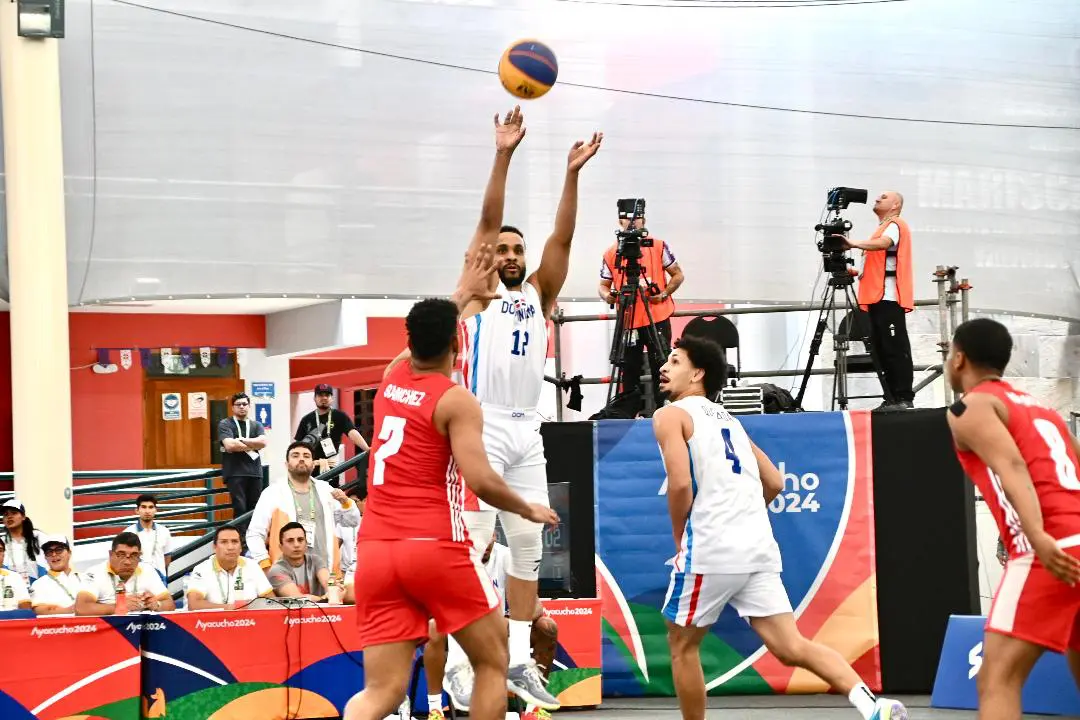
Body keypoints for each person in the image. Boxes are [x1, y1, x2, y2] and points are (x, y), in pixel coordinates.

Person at [342, 254, 559, 720]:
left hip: (376, 550)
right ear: (457, 346)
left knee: (381, 690)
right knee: (492, 661)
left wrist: (462, 293)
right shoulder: (456, 400)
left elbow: (423, 337)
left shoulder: (389, 380)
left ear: (409, 341)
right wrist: (528, 508)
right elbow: (480, 479)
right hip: (431, 544)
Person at [652, 335, 907, 720]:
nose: (663, 367)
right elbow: (774, 482)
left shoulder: (669, 415)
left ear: (698, 373)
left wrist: (679, 538)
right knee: (791, 646)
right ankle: (872, 706)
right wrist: (742, 516)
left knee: (681, 647)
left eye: (674, 361)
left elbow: (681, 484)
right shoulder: (732, 423)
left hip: (711, 549)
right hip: (757, 549)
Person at [441, 106, 600, 711]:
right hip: (481, 425)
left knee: (530, 544)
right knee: (474, 546)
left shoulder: (540, 292)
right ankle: (459, 663)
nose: (508, 253)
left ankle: (516, 661)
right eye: (501, 247)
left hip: (528, 427)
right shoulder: (479, 293)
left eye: (515, 248)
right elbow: (486, 221)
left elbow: (563, 238)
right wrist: (504, 153)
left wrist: (572, 174)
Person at [943, 318, 1080, 720]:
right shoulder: (1043, 410)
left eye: (949, 353)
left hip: (1049, 548)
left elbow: (1013, 467)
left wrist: (1037, 536)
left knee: (996, 680)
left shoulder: (971, 406)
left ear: (960, 358)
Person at [423, 533, 559, 719]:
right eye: (480, 539)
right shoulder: (450, 559)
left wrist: (509, 621)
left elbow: (536, 606)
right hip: (459, 632)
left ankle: (533, 709)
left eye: (489, 539)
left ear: (495, 536)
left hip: (499, 631)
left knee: (547, 627)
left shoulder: (507, 558)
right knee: (433, 628)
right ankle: (435, 709)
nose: (486, 545)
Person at [597, 197, 685, 412]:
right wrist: (607, 296)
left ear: (644, 221)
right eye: (628, 220)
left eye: (637, 219)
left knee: (661, 366)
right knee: (629, 369)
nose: (633, 224)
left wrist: (663, 294)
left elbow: (678, 275)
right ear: (620, 222)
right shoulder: (611, 253)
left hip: (657, 317)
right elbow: (602, 285)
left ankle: (664, 410)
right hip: (628, 319)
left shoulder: (657, 246)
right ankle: (628, 412)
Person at [844, 190, 914, 409]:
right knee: (882, 349)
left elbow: (885, 244)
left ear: (895, 205)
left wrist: (853, 244)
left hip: (889, 298)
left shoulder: (895, 224)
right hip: (877, 298)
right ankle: (891, 398)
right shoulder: (880, 228)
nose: (877, 199)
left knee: (894, 348)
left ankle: (903, 398)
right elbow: (878, 265)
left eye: (884, 197)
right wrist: (853, 272)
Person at [246, 441, 361, 574]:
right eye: (295, 456)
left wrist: (345, 502)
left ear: (313, 464)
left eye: (306, 456)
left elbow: (352, 521)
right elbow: (255, 533)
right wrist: (265, 564)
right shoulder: (273, 492)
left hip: (326, 571)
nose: (301, 459)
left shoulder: (325, 490)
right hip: (287, 575)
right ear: (286, 464)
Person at [76, 532, 176, 616]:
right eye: (121, 555)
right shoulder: (94, 573)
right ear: (111, 554)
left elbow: (170, 604)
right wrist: (120, 607)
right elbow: (81, 608)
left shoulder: (147, 570)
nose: (127, 562)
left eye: (133, 555)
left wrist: (156, 604)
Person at [218, 392, 268, 541]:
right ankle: (241, 541)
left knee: (255, 509)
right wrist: (252, 442)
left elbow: (263, 442)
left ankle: (255, 539)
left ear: (249, 406)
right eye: (238, 404)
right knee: (240, 508)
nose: (242, 407)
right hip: (235, 472)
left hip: (254, 472)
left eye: (244, 404)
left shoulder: (256, 424)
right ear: (233, 407)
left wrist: (241, 440)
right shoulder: (225, 424)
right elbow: (229, 445)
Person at [186, 526, 273, 610]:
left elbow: (271, 601)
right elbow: (194, 604)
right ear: (214, 547)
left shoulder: (252, 566)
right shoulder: (201, 569)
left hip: (249, 621)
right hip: (214, 623)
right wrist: (231, 608)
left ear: (240, 547)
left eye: (235, 541)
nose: (230, 547)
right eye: (224, 542)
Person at [293, 383, 370, 479]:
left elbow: (352, 433)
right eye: (320, 395)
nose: (324, 398)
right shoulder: (306, 419)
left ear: (332, 398)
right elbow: (298, 445)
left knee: (331, 492)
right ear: (315, 398)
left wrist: (367, 449)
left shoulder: (339, 416)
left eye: (327, 395)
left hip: (331, 466)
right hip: (310, 466)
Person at [268, 522, 332, 602]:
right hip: (293, 613)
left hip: (323, 612)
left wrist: (333, 591)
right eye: (290, 541)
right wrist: (325, 599)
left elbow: (329, 583)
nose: (296, 545)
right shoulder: (276, 571)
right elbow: (297, 599)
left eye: (300, 540)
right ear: (281, 547)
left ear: (306, 543)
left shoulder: (316, 560)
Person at [30, 535, 83, 615]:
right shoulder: (39, 584)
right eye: (49, 552)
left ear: (69, 553)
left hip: (88, 626)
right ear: (45, 557)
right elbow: (38, 610)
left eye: (59, 550)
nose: (54, 554)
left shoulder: (84, 578)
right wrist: (71, 610)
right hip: (58, 626)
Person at [124, 494, 171, 581]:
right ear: (137, 510)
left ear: (156, 510)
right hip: (136, 579)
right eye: (144, 507)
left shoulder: (164, 531)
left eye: (151, 507)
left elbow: (167, 557)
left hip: (159, 579)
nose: (147, 511)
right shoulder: (128, 532)